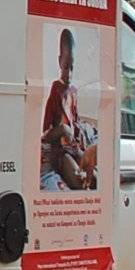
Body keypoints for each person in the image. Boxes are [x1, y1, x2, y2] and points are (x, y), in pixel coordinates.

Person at [41, 28, 98, 191]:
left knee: (92, 176)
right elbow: (46, 132)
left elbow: (75, 118)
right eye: (66, 68)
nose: (69, 74)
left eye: (72, 68)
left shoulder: (73, 91)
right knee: (77, 179)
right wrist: (62, 130)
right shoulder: (55, 89)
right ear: (60, 62)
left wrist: (78, 128)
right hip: (60, 151)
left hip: (73, 146)